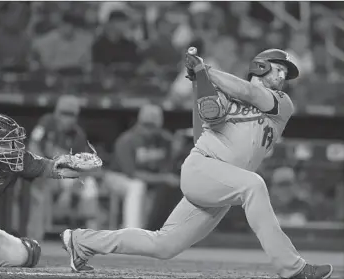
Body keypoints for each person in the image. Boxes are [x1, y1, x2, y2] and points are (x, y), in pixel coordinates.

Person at [60, 48, 333, 279]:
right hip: (203, 168)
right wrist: (199, 80)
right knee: (254, 185)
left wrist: (206, 71)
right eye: (278, 69)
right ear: (260, 66)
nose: (283, 76)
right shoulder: (222, 93)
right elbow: (205, 122)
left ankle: (82, 241)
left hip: (224, 183)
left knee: (164, 246)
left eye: (286, 73)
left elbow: (249, 92)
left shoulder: (282, 103)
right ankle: (293, 269)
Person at [0, 112, 84, 267]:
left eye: (13, 143)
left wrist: (79, 164)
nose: (13, 150)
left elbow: (50, 167)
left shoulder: (19, 160)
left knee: (27, 255)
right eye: (5, 143)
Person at [26, 95, 93, 241]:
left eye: (71, 115)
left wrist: (69, 190)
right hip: (43, 170)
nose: (66, 118)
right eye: (63, 113)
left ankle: (91, 238)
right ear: (56, 112)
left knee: (90, 188)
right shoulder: (46, 123)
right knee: (39, 189)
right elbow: (33, 145)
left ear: (76, 117)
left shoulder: (78, 135)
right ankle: (35, 237)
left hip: (65, 176)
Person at [102, 104, 178, 229]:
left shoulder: (165, 140)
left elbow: (167, 168)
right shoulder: (126, 140)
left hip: (149, 179)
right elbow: (131, 173)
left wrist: (176, 149)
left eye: (152, 126)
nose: (148, 130)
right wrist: (163, 178)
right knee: (137, 186)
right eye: (145, 125)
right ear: (139, 123)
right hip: (117, 177)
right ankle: (131, 231)